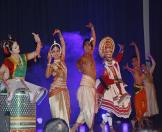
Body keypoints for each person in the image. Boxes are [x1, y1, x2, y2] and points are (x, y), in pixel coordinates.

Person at [0, 33, 47, 105]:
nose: (18, 47)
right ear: (11, 51)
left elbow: (36, 53)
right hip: (13, 85)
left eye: (17, 45)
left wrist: (38, 41)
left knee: (33, 93)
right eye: (15, 47)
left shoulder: (23, 57)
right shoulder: (8, 61)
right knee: (18, 83)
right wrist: (5, 83)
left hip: (23, 84)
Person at [97, 36, 131, 131]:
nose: (109, 53)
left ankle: (104, 124)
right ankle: (110, 127)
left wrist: (122, 50)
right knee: (112, 108)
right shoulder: (103, 65)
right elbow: (105, 79)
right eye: (107, 51)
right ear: (104, 53)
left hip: (118, 87)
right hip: (110, 89)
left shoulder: (114, 62)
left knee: (114, 108)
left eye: (110, 51)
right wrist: (115, 81)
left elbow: (119, 58)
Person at [71, 22, 97, 132]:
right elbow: (77, 66)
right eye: (85, 45)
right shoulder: (82, 58)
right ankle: (91, 129)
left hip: (92, 85)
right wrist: (80, 68)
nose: (88, 46)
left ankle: (74, 128)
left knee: (87, 109)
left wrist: (92, 28)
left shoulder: (91, 54)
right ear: (83, 47)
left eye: (89, 45)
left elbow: (94, 39)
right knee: (88, 108)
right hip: (85, 85)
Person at [45, 29, 70, 126]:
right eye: (53, 51)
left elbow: (63, 45)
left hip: (64, 91)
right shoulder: (51, 65)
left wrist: (60, 34)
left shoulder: (62, 60)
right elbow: (47, 76)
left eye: (57, 51)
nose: (55, 53)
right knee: (58, 118)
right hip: (55, 92)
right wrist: (48, 62)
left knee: (66, 117)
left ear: (60, 52)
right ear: (51, 54)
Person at [124, 42, 147, 128]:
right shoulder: (134, 69)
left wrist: (135, 45)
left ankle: (137, 121)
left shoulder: (139, 68)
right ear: (132, 63)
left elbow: (138, 54)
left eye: (135, 60)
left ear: (137, 61)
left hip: (142, 88)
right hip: (137, 89)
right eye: (133, 61)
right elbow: (131, 71)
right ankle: (138, 122)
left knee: (144, 106)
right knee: (138, 107)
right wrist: (128, 68)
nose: (134, 62)